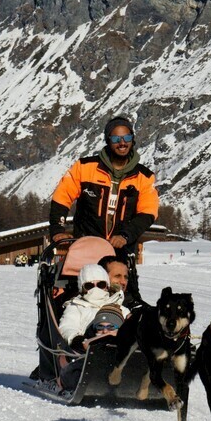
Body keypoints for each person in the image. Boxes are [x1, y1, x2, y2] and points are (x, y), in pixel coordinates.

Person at [48, 114, 159, 307]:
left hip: (121, 251)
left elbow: (148, 212)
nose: (122, 143)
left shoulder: (144, 177)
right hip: (86, 247)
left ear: (133, 139)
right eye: (116, 138)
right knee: (80, 297)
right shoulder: (85, 168)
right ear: (108, 141)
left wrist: (125, 235)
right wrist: (58, 229)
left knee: (126, 301)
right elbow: (62, 196)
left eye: (127, 138)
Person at [56, 264, 129, 391]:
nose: (96, 289)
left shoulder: (118, 305)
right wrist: (76, 339)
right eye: (89, 285)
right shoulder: (76, 306)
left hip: (117, 350)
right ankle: (70, 380)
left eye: (100, 285)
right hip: (86, 351)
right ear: (82, 288)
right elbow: (67, 325)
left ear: (107, 286)